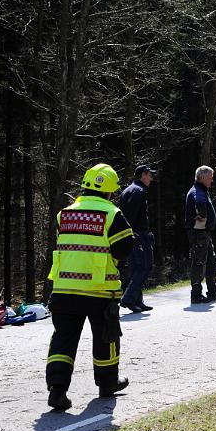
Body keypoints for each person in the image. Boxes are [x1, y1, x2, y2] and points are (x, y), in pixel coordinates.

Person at [45, 163, 134, 410]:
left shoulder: (65, 214)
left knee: (63, 340)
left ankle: (57, 390)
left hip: (63, 290)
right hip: (99, 290)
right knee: (106, 337)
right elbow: (124, 248)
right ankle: (107, 384)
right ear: (110, 191)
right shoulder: (112, 214)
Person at [184, 165, 216, 304]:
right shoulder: (198, 192)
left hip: (203, 233)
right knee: (198, 263)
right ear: (202, 177)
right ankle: (196, 295)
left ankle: (212, 291)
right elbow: (201, 212)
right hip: (199, 233)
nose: (212, 180)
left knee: (211, 262)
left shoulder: (201, 190)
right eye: (210, 177)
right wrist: (202, 230)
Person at [119, 165, 157, 313]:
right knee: (145, 267)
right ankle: (128, 299)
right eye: (150, 175)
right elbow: (130, 215)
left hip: (132, 234)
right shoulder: (139, 191)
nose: (151, 178)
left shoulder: (128, 190)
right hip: (138, 235)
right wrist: (134, 234)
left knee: (136, 268)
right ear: (143, 174)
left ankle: (137, 301)